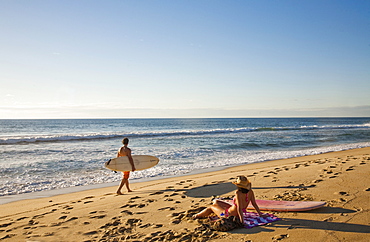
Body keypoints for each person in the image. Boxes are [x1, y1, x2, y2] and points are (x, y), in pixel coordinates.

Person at [193, 175, 267, 225]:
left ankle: (196, 216)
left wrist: (242, 221)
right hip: (234, 210)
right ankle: (215, 202)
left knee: (211, 207)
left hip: (228, 214)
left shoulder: (238, 193)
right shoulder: (250, 192)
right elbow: (254, 204)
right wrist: (260, 214)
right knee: (217, 202)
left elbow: (239, 208)